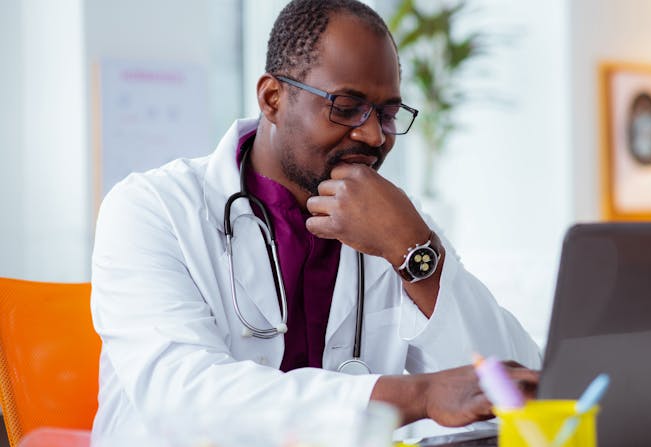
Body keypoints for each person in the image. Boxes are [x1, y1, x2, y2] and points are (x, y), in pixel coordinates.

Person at [90, 0, 541, 440]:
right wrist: (416, 395)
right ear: (272, 98)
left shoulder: (395, 223)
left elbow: (523, 386)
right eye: (346, 107)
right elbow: (182, 398)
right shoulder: (152, 209)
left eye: (386, 114)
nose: (371, 135)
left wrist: (414, 253)